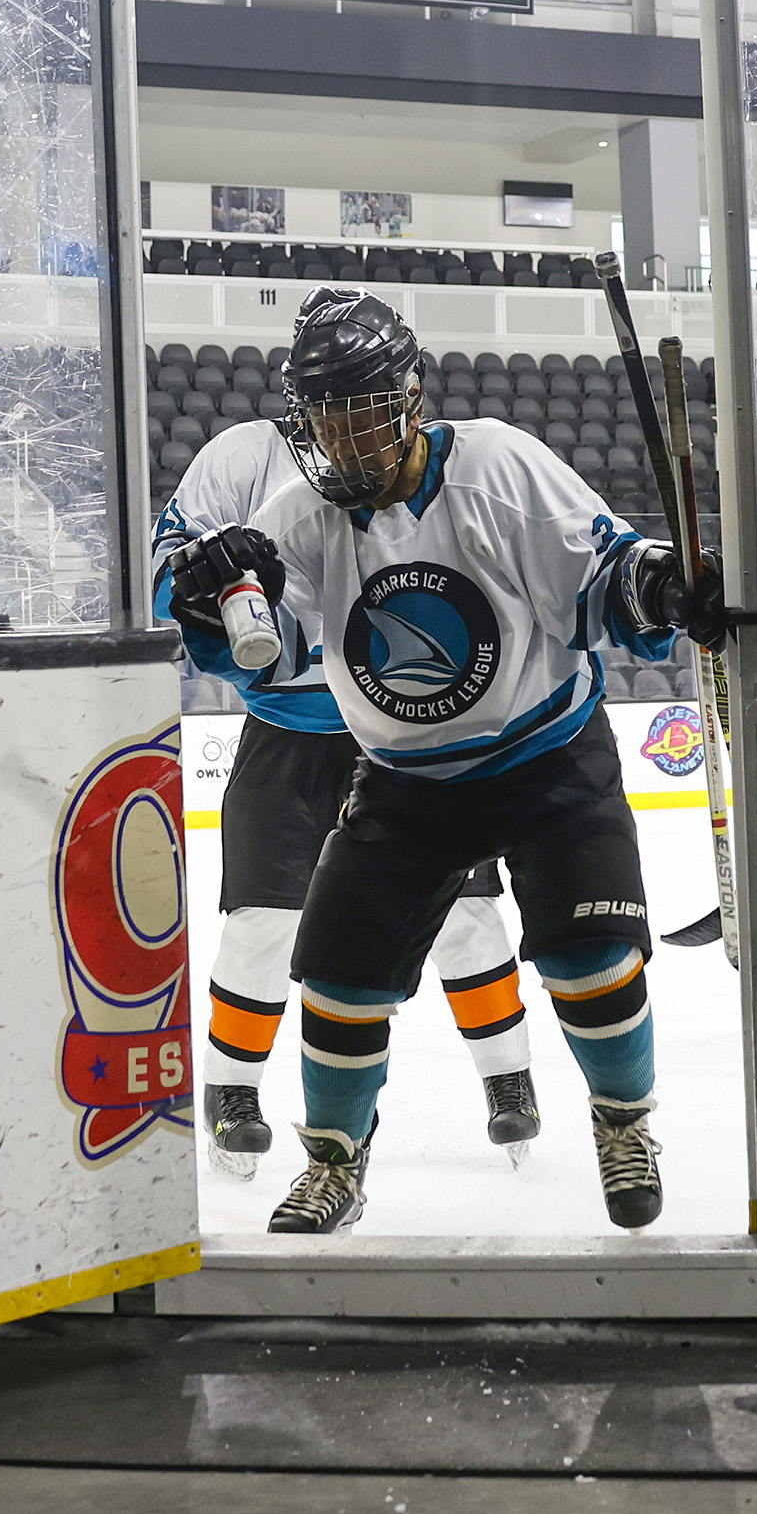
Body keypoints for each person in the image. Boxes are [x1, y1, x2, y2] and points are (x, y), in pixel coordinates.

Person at [163, 289, 727, 1237]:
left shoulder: (499, 466)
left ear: (410, 399)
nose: (346, 446)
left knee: (591, 961)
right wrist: (208, 605)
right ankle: (336, 1164)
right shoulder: (296, 516)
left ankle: (622, 1123)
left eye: (363, 419)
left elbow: (599, 582)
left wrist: (661, 583)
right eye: (326, 423)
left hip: (546, 757)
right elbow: (272, 650)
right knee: (338, 974)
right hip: (405, 780)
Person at [153, 406, 545, 1177]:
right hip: (290, 733)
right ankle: (230, 1094)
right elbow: (170, 567)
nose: (345, 409)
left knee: (466, 912)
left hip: (406, 727)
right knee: (263, 919)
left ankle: (510, 1080)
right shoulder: (242, 452)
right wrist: (199, 571)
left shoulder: (413, 459)